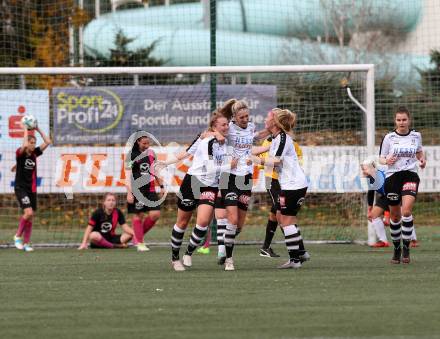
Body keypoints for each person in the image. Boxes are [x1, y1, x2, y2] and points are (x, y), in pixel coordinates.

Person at [168, 114, 233, 271]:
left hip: (210, 186)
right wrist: (230, 165)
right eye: (223, 125)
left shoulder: (227, 142)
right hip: (193, 183)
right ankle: (175, 258)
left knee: (203, 222)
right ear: (214, 127)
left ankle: (188, 253)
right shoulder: (207, 141)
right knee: (182, 222)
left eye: (227, 124)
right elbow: (208, 166)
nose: (226, 127)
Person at [251, 108, 309, 269]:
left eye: (268, 118)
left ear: (275, 122)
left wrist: (253, 160)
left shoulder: (283, 138)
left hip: (293, 185)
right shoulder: (276, 138)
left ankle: (295, 260)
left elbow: (275, 161)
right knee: (285, 219)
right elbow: (263, 151)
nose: (265, 120)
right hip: (290, 185)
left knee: (286, 221)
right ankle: (301, 254)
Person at [216, 99, 270, 269]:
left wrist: (273, 129)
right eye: (242, 117)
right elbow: (215, 127)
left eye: (247, 116)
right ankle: (228, 259)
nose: (245, 119)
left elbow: (256, 137)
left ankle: (224, 243)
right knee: (231, 218)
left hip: (246, 178)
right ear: (234, 118)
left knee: (239, 225)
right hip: (229, 177)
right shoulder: (229, 128)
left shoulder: (252, 127)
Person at [379, 106, 426, 264]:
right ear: (395, 121)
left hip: (410, 175)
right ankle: (396, 248)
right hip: (393, 177)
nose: (401, 122)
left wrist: (422, 159)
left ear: (409, 120)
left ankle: (406, 247)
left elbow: (419, 151)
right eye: (398, 120)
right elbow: (381, 158)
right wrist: (387, 161)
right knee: (394, 215)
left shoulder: (416, 135)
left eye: (404, 119)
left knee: (406, 211)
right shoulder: (389, 137)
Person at [258, 123, 304, 258]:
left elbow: (299, 161)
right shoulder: (269, 141)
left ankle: (266, 248)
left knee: (276, 213)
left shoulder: (290, 142)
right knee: (281, 214)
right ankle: (299, 249)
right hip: (271, 180)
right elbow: (265, 162)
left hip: (286, 182)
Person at [13, 122, 51, 252]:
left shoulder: (35, 153)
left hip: (32, 189)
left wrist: (38, 128)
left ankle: (26, 243)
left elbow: (48, 141)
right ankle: (18, 236)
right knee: (28, 212)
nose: (33, 145)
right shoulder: (20, 153)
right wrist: (25, 129)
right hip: (20, 187)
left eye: (34, 143)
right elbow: (23, 145)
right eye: (31, 142)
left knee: (31, 216)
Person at [126, 132, 164, 252]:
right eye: (144, 143)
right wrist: (129, 192)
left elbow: (155, 170)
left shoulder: (152, 153)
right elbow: (127, 175)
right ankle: (140, 243)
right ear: (138, 142)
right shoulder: (131, 155)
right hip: (138, 190)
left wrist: (162, 186)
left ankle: (137, 237)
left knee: (155, 214)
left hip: (151, 189)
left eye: (149, 143)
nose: (147, 145)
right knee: (139, 215)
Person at [361, 159, 390, 248]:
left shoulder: (381, 176)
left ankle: (412, 239)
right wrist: (370, 209)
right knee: (373, 215)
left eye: (364, 169)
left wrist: (387, 214)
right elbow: (371, 192)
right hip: (385, 196)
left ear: (372, 168)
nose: (363, 171)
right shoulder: (370, 178)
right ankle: (384, 241)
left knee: (402, 216)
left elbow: (389, 193)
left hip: (395, 194)